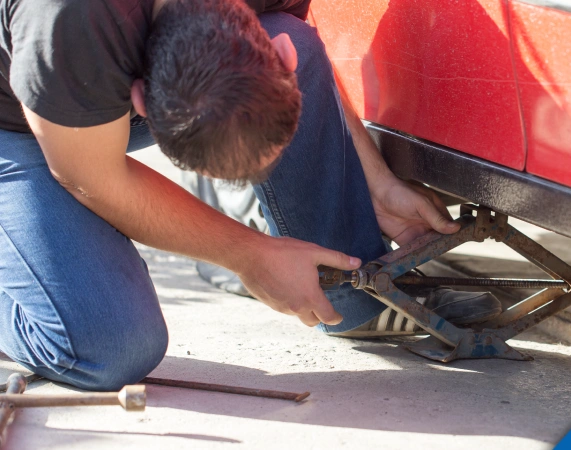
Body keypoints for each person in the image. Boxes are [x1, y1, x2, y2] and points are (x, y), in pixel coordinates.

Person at [0, 0, 500, 391]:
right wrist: (249, 253)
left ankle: (349, 296)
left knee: (301, 36)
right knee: (109, 350)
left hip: (79, 90)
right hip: (17, 120)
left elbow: (297, 53)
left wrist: (376, 180)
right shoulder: (67, 22)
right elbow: (91, 177)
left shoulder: (278, 43)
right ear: (140, 100)